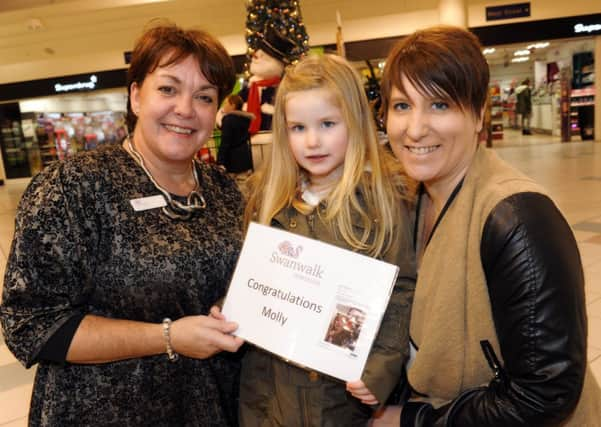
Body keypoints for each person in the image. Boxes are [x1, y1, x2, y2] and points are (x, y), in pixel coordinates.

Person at [0, 23, 245, 426]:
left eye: (204, 96)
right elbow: (33, 324)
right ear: (135, 96)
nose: (185, 108)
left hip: (214, 405)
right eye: (168, 89)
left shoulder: (224, 191)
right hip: (106, 410)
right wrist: (168, 337)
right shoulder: (74, 187)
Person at [371, 25, 601, 426]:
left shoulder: (518, 218)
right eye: (402, 106)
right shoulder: (414, 198)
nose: (415, 128)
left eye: (440, 105)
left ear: (479, 114)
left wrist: (415, 420)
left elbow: (544, 394)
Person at [238, 53, 416, 426]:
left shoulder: (382, 201)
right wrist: (234, 309)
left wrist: (381, 367)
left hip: (341, 397)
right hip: (271, 394)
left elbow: (400, 290)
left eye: (328, 124)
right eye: (298, 128)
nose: (313, 142)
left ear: (354, 121)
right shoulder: (269, 198)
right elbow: (253, 279)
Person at [217, 94, 254, 175]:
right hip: (246, 158)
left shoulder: (228, 119)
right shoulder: (245, 119)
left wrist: (220, 162)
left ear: (233, 105)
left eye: (226, 103)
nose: (224, 106)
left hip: (233, 161)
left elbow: (225, 142)